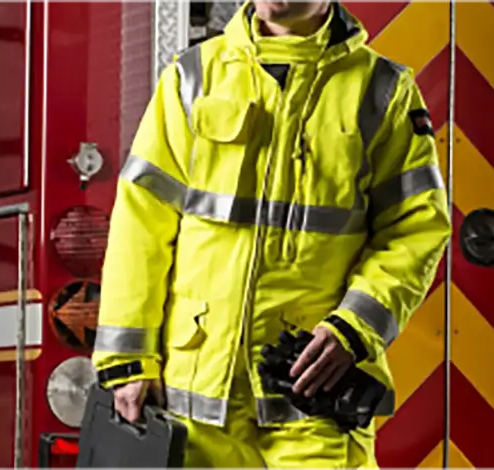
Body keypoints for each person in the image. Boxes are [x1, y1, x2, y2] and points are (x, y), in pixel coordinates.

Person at [92, 0, 451, 468]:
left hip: (312, 402)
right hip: (192, 405)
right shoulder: (193, 76)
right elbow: (141, 221)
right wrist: (129, 360)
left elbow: (417, 228)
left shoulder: (381, 90)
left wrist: (353, 329)